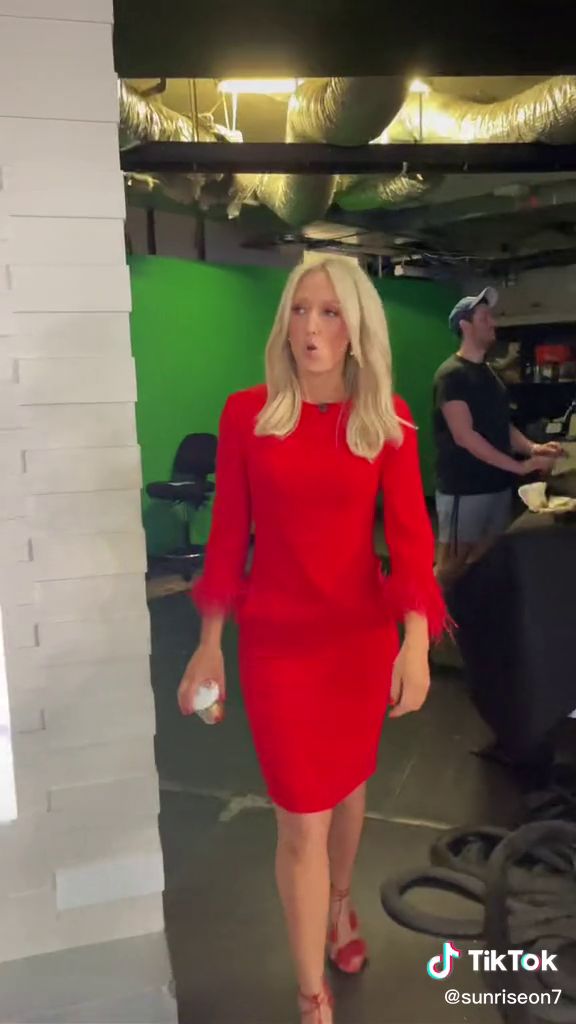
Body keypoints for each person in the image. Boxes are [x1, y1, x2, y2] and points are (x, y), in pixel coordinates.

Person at [177, 255, 447, 1024]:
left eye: (329, 313)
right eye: (299, 311)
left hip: (358, 642)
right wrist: (208, 642)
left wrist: (416, 642)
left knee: (349, 787)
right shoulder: (248, 416)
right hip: (277, 647)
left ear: (356, 328)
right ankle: (310, 995)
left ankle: (338, 903)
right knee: (301, 818)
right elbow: (227, 537)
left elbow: (410, 539)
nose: (311, 328)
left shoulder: (385, 419)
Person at [433, 287, 563, 587]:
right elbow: (465, 436)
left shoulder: (490, 375)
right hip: (465, 488)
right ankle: (424, 615)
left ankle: (464, 609)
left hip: (497, 485)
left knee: (485, 556)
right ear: (465, 325)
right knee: (452, 564)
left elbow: (501, 425)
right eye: (484, 318)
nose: (493, 323)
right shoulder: (451, 375)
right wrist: (520, 466)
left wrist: (534, 448)